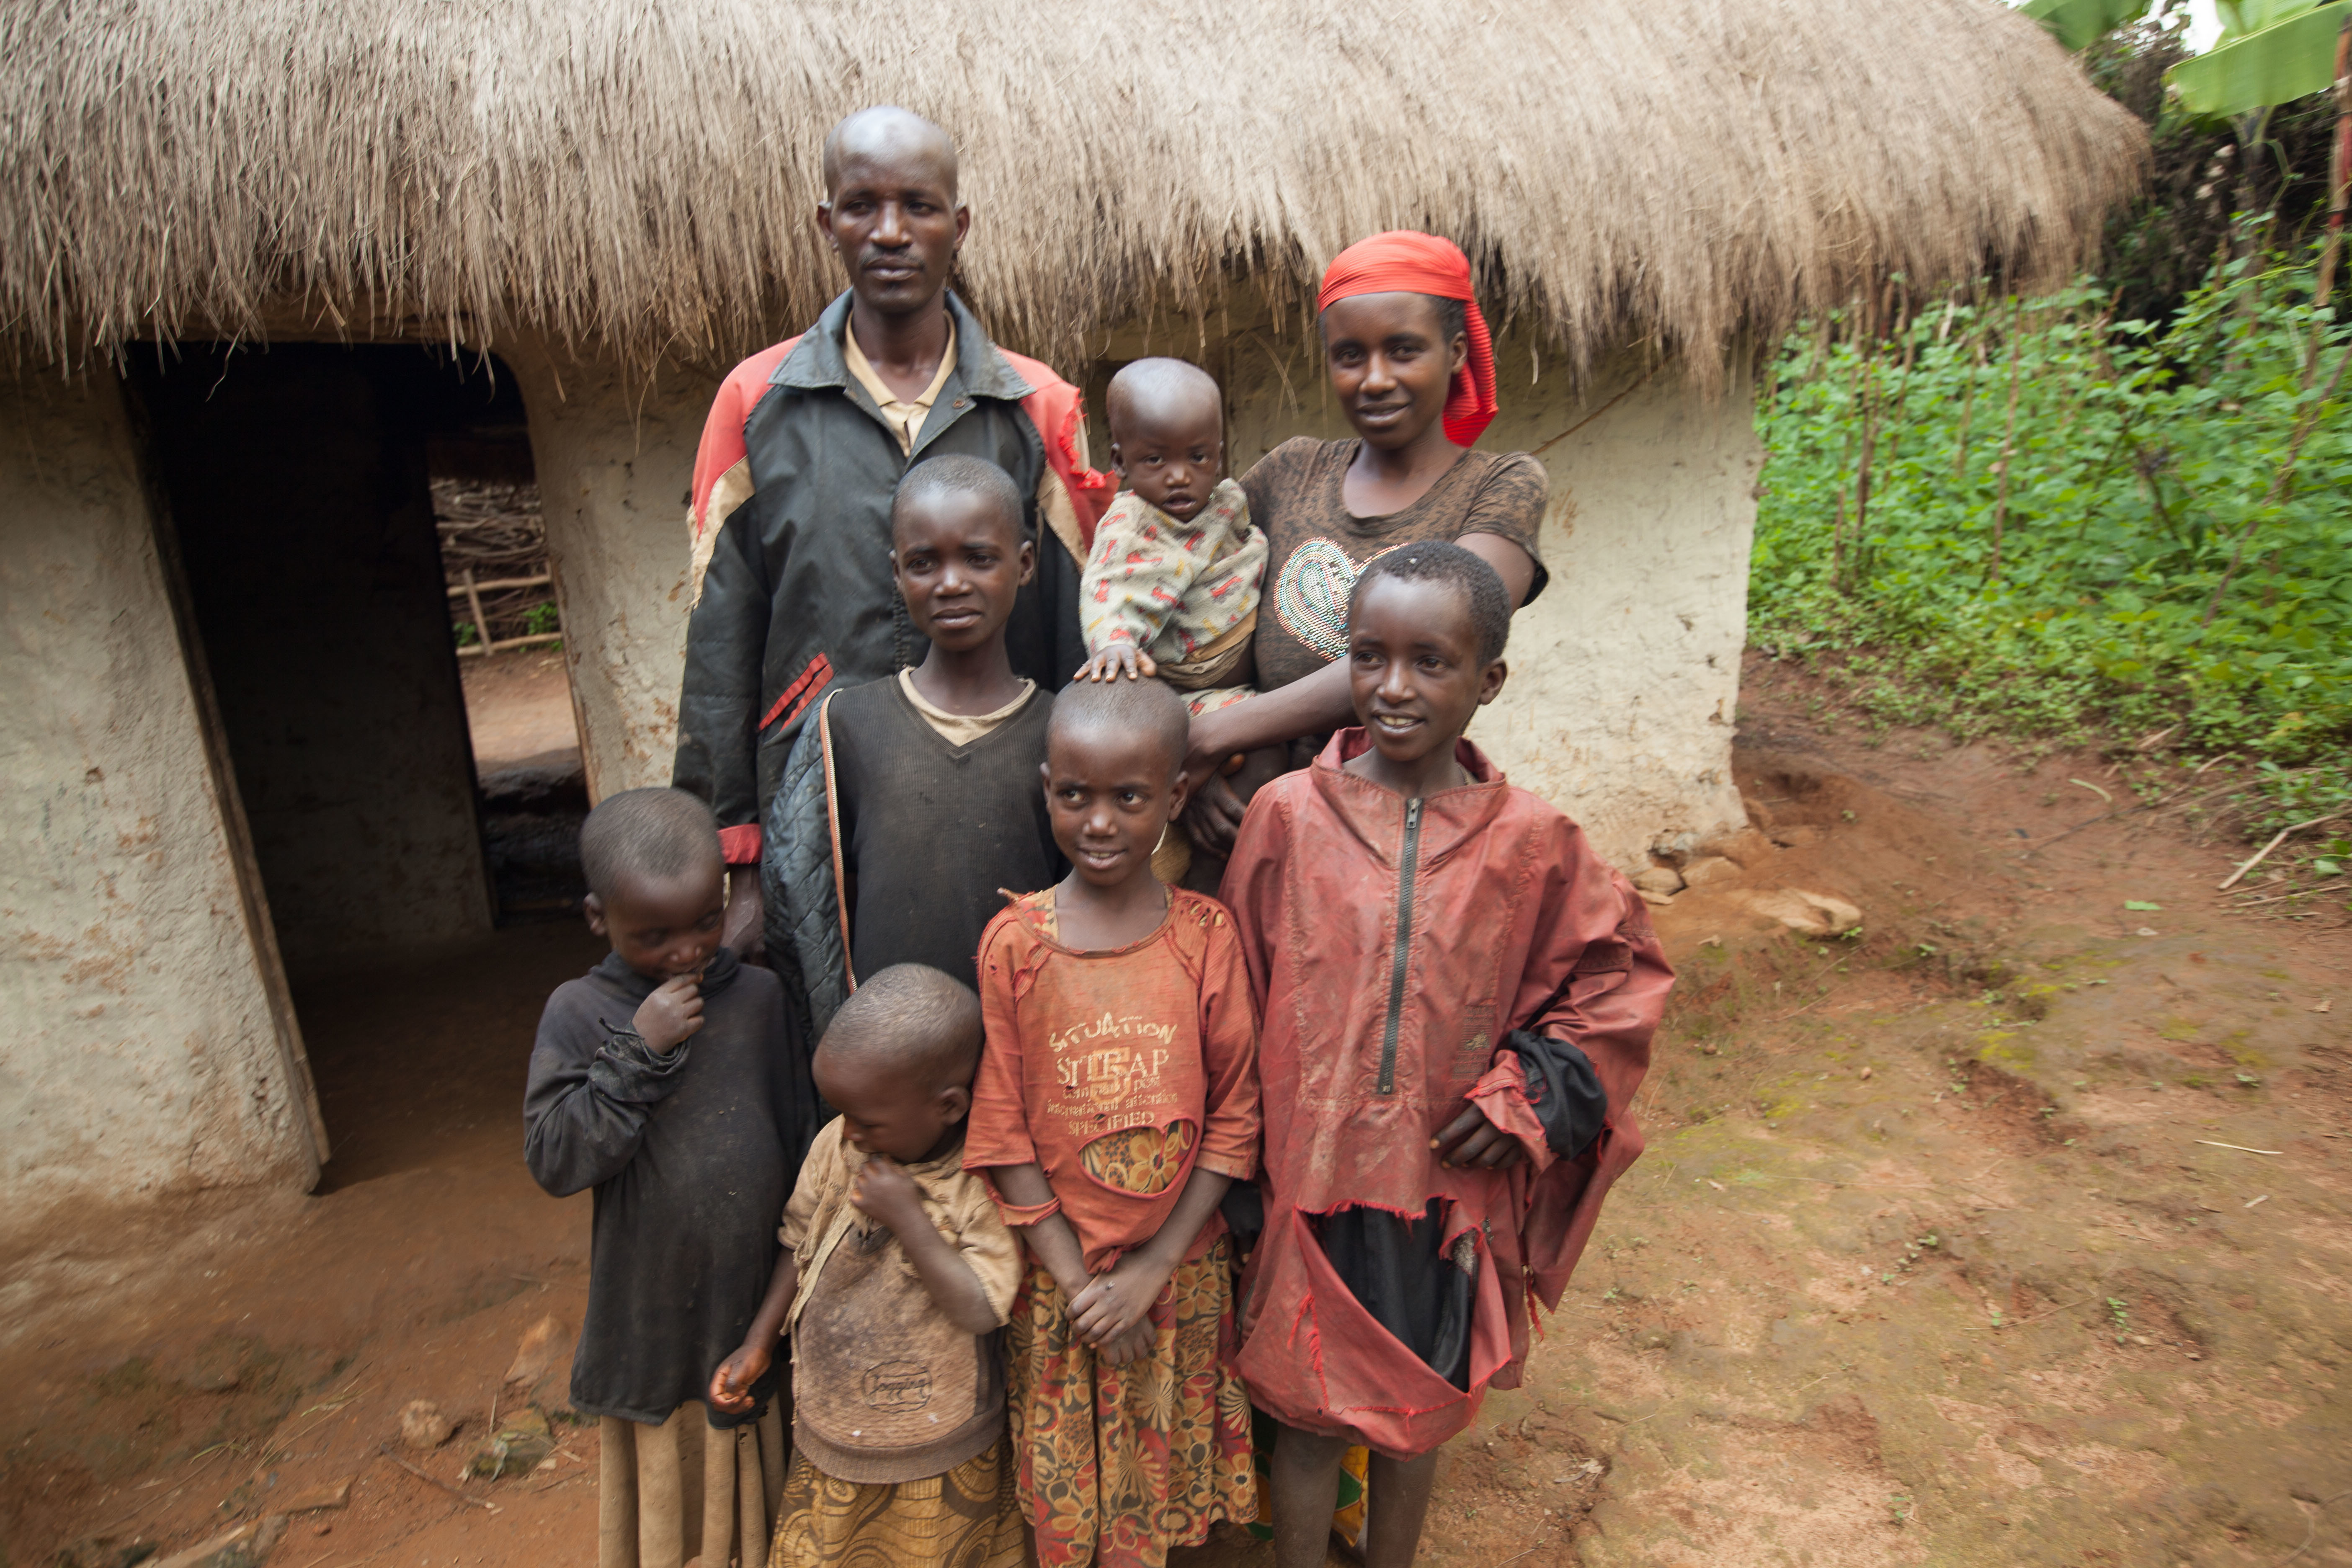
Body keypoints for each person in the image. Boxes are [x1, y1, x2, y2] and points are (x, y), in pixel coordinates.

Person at [1218, 544, 1671, 1568]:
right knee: (1305, 1413)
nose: (1394, 685)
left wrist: (1533, 1093)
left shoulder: (1534, 840)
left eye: (1431, 661)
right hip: (1307, 1179)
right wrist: (1237, 1165)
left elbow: (1619, 975)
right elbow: (1236, 990)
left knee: (1416, 1412)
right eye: (1370, 656)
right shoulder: (1287, 814)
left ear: (1488, 680)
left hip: (1442, 1183)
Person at [675, 105, 1116, 961]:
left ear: (959, 225)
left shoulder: (1037, 407)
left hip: (1006, 788)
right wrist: (736, 861)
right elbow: (720, 643)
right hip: (819, 794)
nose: (889, 232)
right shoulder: (756, 403)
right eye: (860, 206)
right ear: (825, 222)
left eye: (917, 206)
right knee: (847, 1044)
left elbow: (1080, 631)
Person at [962, 676, 1261, 1568]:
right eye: (1074, 795)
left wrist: (1151, 1272)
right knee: (1073, 1506)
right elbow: (1004, 1133)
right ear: (1046, 786)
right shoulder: (1014, 945)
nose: (1099, 822)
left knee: (1171, 1492)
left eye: (1129, 798)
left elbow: (1236, 1117)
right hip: (1064, 1291)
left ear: (1174, 796)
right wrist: (1085, 1288)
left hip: (1182, 1278)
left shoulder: (1207, 938)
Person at [1178, 231, 1551, 882]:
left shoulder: (1499, 487)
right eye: (1350, 355)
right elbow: (1185, 594)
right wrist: (1198, 752)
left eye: (1404, 350)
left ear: (1455, 352)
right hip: (1252, 819)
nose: (1375, 379)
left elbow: (1438, 640)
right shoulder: (1290, 471)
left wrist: (1215, 736)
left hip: (1399, 837)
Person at [523, 788, 818, 1568]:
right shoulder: (580, 1010)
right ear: (598, 918)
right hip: (651, 1315)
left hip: (752, 1302)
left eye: (703, 923)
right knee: (672, 1499)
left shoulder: (759, 998)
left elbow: (799, 1145)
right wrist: (637, 1052)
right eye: (653, 935)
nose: (686, 950)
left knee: (762, 1487)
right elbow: (556, 1156)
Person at [709, 964, 1026, 1568]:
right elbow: (797, 1242)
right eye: (843, 1114)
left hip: (940, 1446)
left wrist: (910, 1219)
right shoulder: (839, 1145)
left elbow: (983, 1308)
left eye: (869, 1121)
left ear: (950, 1106)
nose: (852, 1134)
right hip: (833, 1425)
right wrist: (758, 1341)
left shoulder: (977, 1181)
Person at [763, 455, 1063, 1040]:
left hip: (1027, 1051)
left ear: (1024, 564)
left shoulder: (1063, 729)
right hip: (886, 1062)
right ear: (897, 574)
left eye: (979, 558)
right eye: (925, 564)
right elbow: (800, 899)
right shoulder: (844, 723)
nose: (951, 583)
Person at [1074, 357, 1265, 719]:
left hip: (1244, 679)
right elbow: (1106, 587)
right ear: (1119, 462)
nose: (1179, 476)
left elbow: (1246, 546)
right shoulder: (1129, 525)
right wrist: (1114, 642)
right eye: (1156, 460)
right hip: (1186, 689)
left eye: (1197, 458)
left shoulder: (1226, 503)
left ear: (1219, 457)